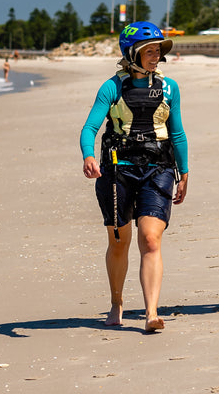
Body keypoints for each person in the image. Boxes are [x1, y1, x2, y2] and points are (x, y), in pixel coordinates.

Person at [80, 21, 190, 332]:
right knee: (119, 242)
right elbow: (90, 129)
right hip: (118, 171)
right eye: (149, 51)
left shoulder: (170, 88)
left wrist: (184, 172)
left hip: (158, 169)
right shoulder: (112, 87)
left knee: (150, 238)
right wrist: (89, 156)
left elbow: (177, 132)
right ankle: (116, 302)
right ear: (132, 54)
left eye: (159, 50)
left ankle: (151, 312)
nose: (156, 56)